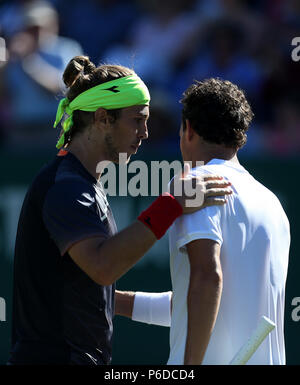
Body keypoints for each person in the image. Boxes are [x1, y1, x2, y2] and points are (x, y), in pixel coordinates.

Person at [8, 56, 232, 365]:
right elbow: (103, 267)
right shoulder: (66, 186)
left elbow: (90, 289)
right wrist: (173, 204)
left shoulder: (82, 183)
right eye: (137, 120)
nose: (145, 132)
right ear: (102, 119)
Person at [115, 78, 291, 365]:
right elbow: (199, 304)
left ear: (189, 130)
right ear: (239, 136)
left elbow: (208, 279)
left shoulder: (194, 184)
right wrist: (113, 302)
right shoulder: (272, 203)